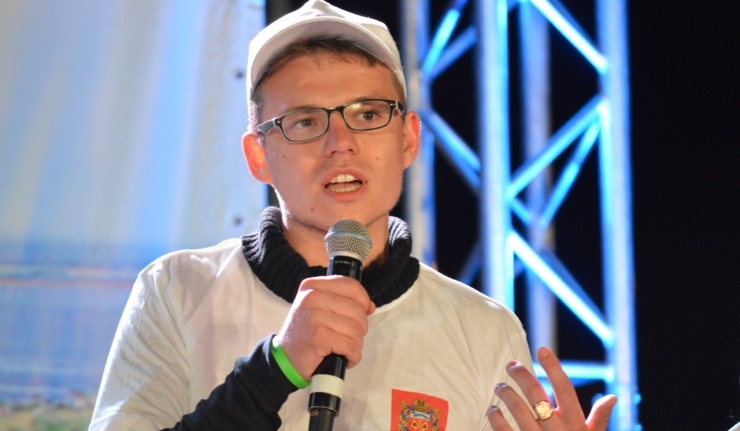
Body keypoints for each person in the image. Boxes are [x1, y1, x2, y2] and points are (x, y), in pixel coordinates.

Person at [88, 1, 616, 430]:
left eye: (367, 114)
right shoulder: (177, 290)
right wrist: (277, 367)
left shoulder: (482, 329)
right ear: (257, 156)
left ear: (408, 138)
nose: (340, 143)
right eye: (304, 121)